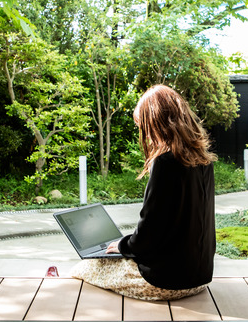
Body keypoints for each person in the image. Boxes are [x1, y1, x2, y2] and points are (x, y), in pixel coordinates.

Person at [70, 84, 216, 301]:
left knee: (85, 267)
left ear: (157, 123)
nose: (146, 135)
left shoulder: (165, 163)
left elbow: (149, 233)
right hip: (200, 278)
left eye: (144, 126)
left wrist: (122, 245)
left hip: (167, 282)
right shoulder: (204, 161)